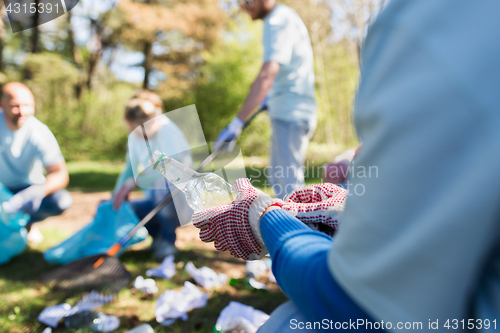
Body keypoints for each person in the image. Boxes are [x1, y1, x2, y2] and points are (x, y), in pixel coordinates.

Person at [192, 0, 500, 331]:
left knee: (286, 316)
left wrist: (264, 217)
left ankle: (285, 237)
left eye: (246, 0)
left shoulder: (426, 25)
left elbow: (348, 300)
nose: (243, 6)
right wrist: (352, 157)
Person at [217, 0, 317, 199]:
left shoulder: (277, 21)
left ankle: (305, 229)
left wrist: (238, 122)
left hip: (291, 114)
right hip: (291, 110)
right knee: (281, 183)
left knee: (290, 190)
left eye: (247, 1)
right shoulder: (284, 17)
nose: (243, 8)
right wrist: (269, 98)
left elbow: (267, 75)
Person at [112, 91, 193, 260]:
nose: (135, 133)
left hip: (178, 199)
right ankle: (158, 238)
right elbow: (129, 168)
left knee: (161, 186)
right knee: (130, 208)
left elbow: (174, 173)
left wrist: (136, 181)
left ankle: (168, 241)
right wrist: (116, 197)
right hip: (154, 199)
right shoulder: (135, 135)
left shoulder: (167, 131)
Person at [0, 82, 72, 226]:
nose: (22, 111)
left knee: (61, 201)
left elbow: (60, 174)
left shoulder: (39, 131)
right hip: (1, 188)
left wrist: (38, 191)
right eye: (15, 106)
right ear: (2, 105)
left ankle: (25, 223)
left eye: (27, 105)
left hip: (28, 188)